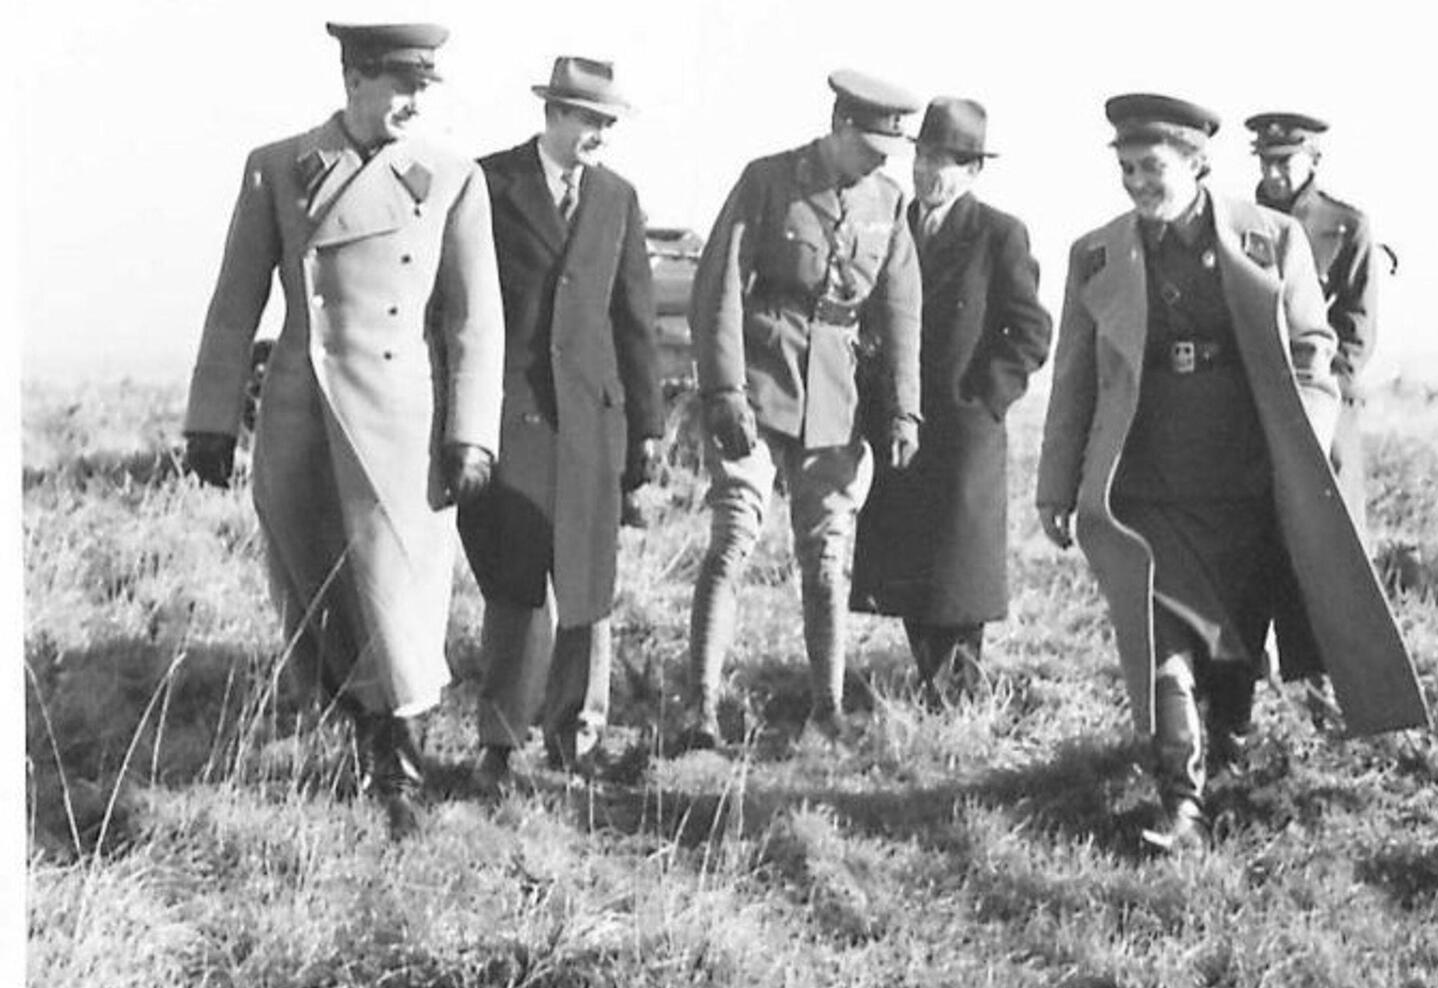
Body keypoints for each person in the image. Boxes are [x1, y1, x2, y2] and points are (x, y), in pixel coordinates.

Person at [1035, 94, 1427, 853]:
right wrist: (1057, 485)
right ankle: (1180, 804)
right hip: (1144, 481)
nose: (1137, 184)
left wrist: (1302, 449)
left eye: (1151, 168)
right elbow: (1073, 380)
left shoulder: (1272, 239)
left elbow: (1313, 354)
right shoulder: (1096, 253)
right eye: (1125, 169)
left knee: (1235, 638)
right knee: (1162, 635)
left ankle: (1229, 760)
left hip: (1246, 475)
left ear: (1196, 164)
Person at [183, 23, 504, 838]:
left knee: (399, 598)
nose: (414, 103)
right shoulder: (277, 168)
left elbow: (474, 321)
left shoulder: (452, 178)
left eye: (423, 88)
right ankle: (362, 742)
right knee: (318, 596)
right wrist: (211, 421)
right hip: (302, 419)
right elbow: (234, 306)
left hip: (403, 426)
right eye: (400, 86)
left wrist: (472, 433)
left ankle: (398, 765)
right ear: (354, 77)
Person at [676, 69, 923, 751]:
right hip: (759, 386)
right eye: (868, 146)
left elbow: (901, 309)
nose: (877, 161)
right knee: (733, 538)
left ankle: (827, 710)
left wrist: (905, 409)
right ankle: (700, 708)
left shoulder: (888, 202)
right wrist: (724, 389)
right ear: (839, 126)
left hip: (835, 401)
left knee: (827, 556)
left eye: (887, 151)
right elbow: (718, 286)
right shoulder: (769, 180)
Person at [457, 57, 663, 793]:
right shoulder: (488, 184)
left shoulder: (616, 198)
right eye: (588, 120)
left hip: (591, 426)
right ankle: (498, 743)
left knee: (586, 587)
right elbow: (456, 303)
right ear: (552, 114)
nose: (599, 134)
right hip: (511, 421)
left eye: (608, 123)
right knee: (514, 587)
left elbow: (634, 319)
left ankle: (577, 739)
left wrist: (647, 427)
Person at [850, 97, 1052, 704]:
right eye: (921, 157)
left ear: (973, 170)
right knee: (909, 564)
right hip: (899, 421)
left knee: (958, 574)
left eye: (942, 161)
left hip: (962, 432)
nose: (925, 171)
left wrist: (983, 398)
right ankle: (931, 681)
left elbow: (1031, 331)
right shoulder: (892, 224)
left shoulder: (998, 234)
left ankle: (959, 696)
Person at [1246, 111, 1378, 540]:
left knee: (1334, 530)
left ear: (1312, 159)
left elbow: (1357, 326)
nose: (1272, 173)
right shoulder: (1238, 225)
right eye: (1265, 162)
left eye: (1284, 162)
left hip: (1325, 395)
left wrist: (1320, 390)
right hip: (1253, 397)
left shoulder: (1345, 227)